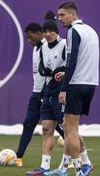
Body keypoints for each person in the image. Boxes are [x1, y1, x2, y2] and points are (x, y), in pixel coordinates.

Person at [43, 2, 99, 176]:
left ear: (73, 14)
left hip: (75, 85)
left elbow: (72, 60)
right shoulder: (91, 31)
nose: (59, 19)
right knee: (68, 127)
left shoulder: (73, 32)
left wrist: (64, 88)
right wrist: (66, 73)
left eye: (62, 15)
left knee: (70, 130)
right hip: (90, 83)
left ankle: (80, 169)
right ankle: (62, 168)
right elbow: (84, 60)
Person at [14, 22, 65, 168]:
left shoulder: (49, 47)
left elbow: (51, 72)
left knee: (61, 127)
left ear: (39, 33)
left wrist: (44, 93)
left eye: (30, 37)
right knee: (31, 124)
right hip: (36, 92)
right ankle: (19, 157)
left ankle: (78, 157)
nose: (29, 41)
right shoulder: (37, 49)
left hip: (49, 92)